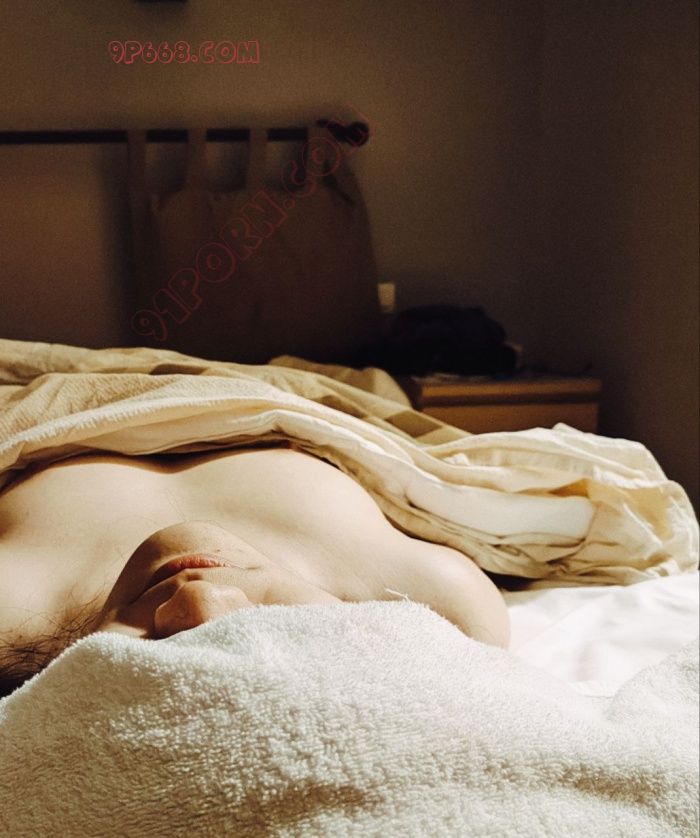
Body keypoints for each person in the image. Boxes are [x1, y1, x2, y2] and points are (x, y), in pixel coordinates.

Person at [0, 442, 510, 697]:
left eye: (150, 664)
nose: (197, 597)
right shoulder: (443, 608)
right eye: (274, 635)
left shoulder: (12, 621)